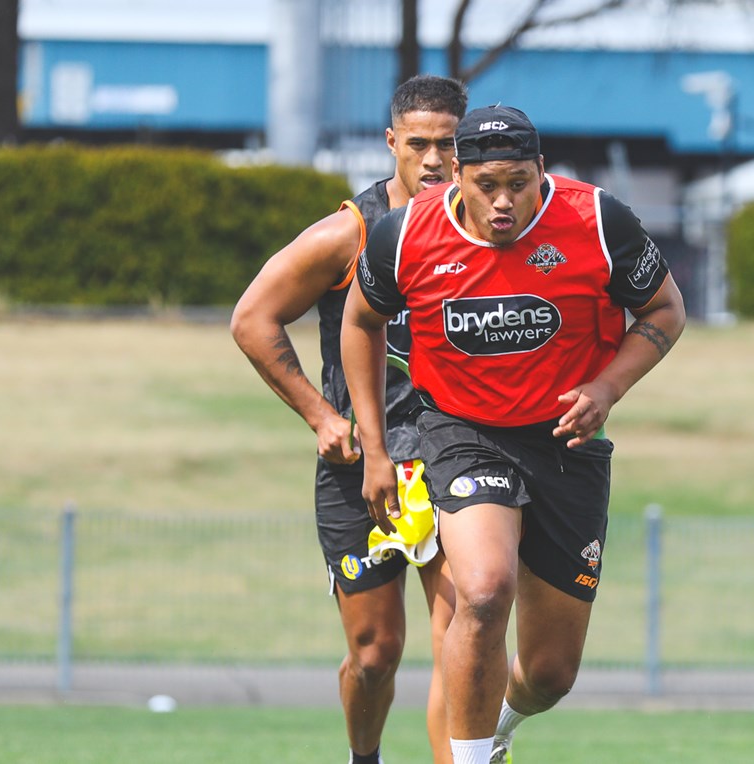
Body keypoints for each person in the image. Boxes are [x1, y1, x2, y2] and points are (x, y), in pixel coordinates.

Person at [342, 104, 685, 764]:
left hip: (565, 444)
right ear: (456, 176)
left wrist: (608, 386)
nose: (504, 203)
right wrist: (376, 448)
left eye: (519, 184)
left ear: (542, 173)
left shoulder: (597, 221)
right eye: (488, 184)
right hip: (462, 432)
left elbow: (665, 309)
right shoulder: (406, 233)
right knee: (483, 587)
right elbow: (360, 322)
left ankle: (496, 727)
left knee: (552, 673)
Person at [230, 74, 468, 764]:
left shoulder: (483, 230)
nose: (432, 160)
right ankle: (366, 758)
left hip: (455, 461)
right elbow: (252, 318)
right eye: (418, 144)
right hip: (360, 470)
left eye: (448, 146)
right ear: (391, 142)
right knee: (375, 653)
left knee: (463, 633)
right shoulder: (352, 232)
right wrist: (319, 416)